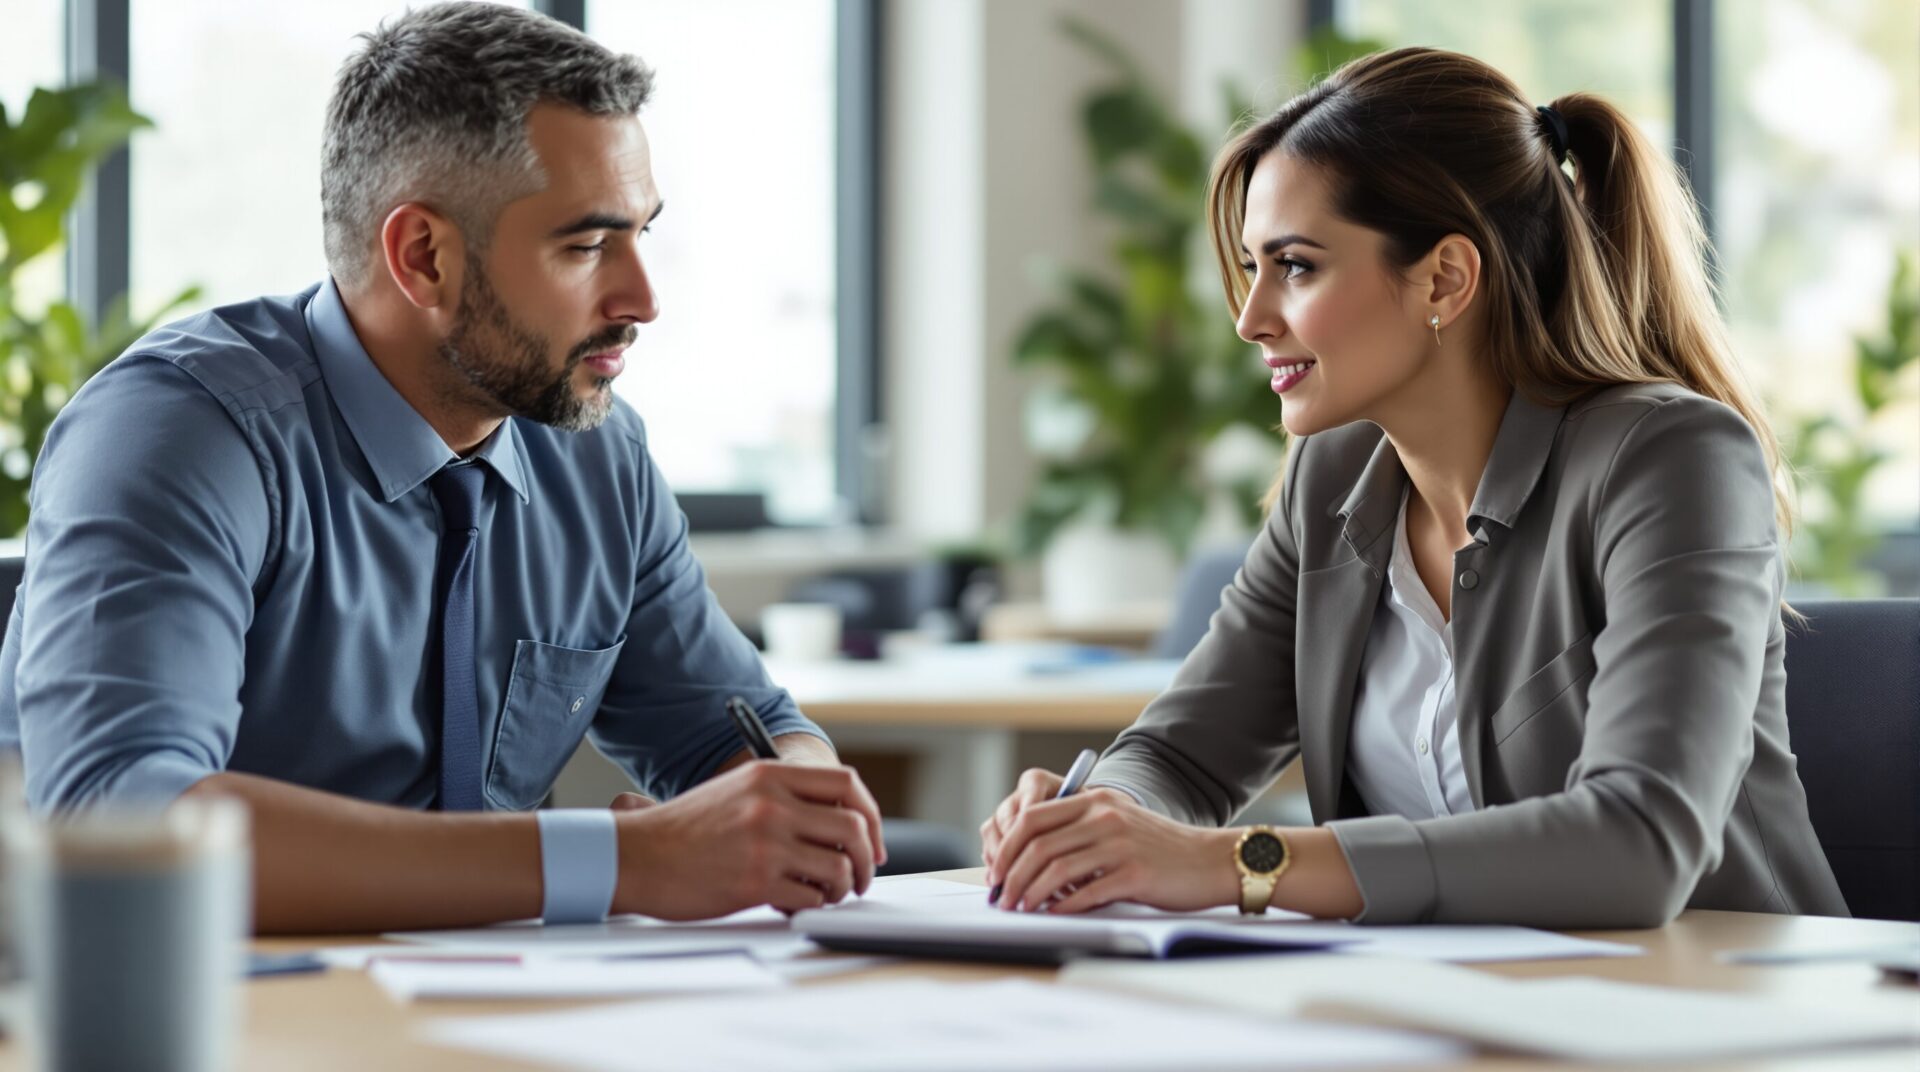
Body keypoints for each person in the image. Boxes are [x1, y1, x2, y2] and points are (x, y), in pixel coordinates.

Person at [0, 3, 886, 933]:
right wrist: (623, 862)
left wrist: (797, 812)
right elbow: (124, 820)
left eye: (640, 235)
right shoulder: (179, 434)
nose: (643, 299)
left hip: (482, 1012)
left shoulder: (595, 452)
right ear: (423, 256)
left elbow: (734, 734)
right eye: (586, 246)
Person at [980, 47, 1848, 929]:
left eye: (1298, 267)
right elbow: (1183, 757)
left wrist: (1238, 862)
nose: (1251, 320)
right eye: (1253, 268)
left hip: (1719, 1020)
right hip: (1449, 1013)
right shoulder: (1332, 481)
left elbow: (1638, 841)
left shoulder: (1672, 459)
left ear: (1444, 277)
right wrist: (1100, 823)